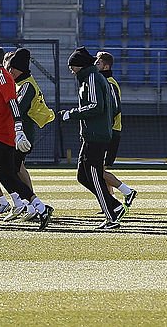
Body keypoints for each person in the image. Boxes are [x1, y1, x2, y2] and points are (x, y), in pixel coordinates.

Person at [0, 44, 53, 231]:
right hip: (3, 136)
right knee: (8, 176)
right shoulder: (1, 78)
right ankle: (41, 208)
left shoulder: (1, 77)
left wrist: (19, 128)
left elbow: (13, 104)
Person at [58, 47, 124, 229]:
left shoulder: (92, 79)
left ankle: (111, 217)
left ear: (79, 65)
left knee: (94, 174)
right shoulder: (89, 79)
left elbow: (96, 106)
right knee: (82, 175)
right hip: (92, 134)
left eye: (72, 66)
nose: (71, 70)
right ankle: (115, 206)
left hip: (97, 135)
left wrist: (71, 114)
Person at [4, 48, 56, 220]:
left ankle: (29, 204)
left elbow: (17, 109)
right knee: (17, 168)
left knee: (11, 170)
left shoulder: (27, 86)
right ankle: (30, 204)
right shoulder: (22, 83)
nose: (10, 71)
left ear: (20, 68)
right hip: (20, 134)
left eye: (12, 68)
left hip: (23, 135)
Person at [94, 51, 139, 209]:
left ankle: (127, 191)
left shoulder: (109, 82)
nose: (95, 65)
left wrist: (105, 123)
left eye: (98, 63)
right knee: (101, 169)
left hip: (111, 131)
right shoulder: (103, 81)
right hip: (109, 130)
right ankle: (110, 202)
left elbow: (115, 107)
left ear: (105, 66)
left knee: (98, 170)